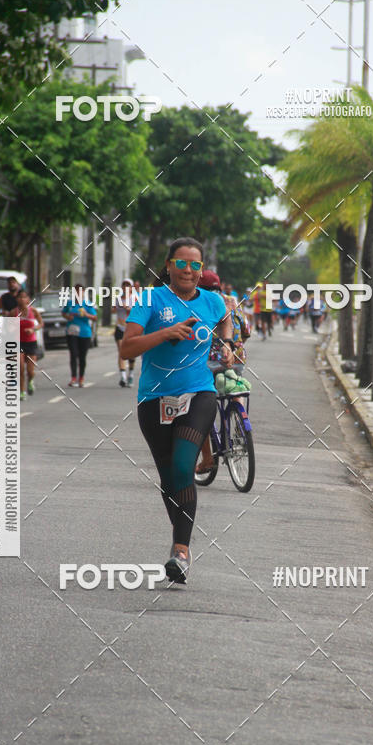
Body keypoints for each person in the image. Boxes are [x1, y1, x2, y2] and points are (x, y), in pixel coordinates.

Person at [120, 237, 233, 584]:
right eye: (181, 263)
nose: (188, 270)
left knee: (185, 465)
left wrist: (226, 343)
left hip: (198, 392)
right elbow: (127, 349)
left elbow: (226, 315)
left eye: (195, 265)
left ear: (202, 270)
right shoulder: (150, 299)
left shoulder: (212, 301)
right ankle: (181, 540)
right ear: (168, 265)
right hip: (153, 399)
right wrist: (165, 332)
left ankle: (180, 551)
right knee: (170, 478)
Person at [195, 270, 251, 475]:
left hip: (210, 361)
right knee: (234, 387)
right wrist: (237, 345)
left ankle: (208, 458)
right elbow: (247, 331)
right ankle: (240, 423)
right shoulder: (233, 302)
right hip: (237, 358)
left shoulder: (203, 303)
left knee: (201, 403)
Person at [62, 284, 97, 387]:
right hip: (72, 331)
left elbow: (95, 318)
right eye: (76, 291)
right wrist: (68, 317)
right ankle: (73, 377)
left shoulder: (88, 304)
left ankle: (81, 378)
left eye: (80, 291)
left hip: (85, 333)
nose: (78, 293)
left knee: (82, 356)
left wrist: (86, 314)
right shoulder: (69, 303)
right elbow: (63, 313)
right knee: (73, 353)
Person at [11, 288, 43, 400]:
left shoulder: (33, 311)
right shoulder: (13, 312)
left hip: (31, 342)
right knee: (20, 368)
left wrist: (33, 329)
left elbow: (41, 323)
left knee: (30, 371)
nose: (22, 299)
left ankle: (30, 381)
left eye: (24, 297)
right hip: (18, 342)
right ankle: (22, 391)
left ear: (28, 299)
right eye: (20, 297)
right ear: (17, 299)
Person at [114, 279, 136, 386]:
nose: (125, 287)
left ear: (131, 287)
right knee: (121, 351)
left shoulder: (135, 298)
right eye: (124, 285)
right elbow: (112, 310)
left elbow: (139, 311)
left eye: (128, 285)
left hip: (131, 328)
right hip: (120, 327)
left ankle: (131, 375)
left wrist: (128, 308)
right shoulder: (118, 298)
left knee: (131, 352)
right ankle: (123, 377)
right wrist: (117, 307)